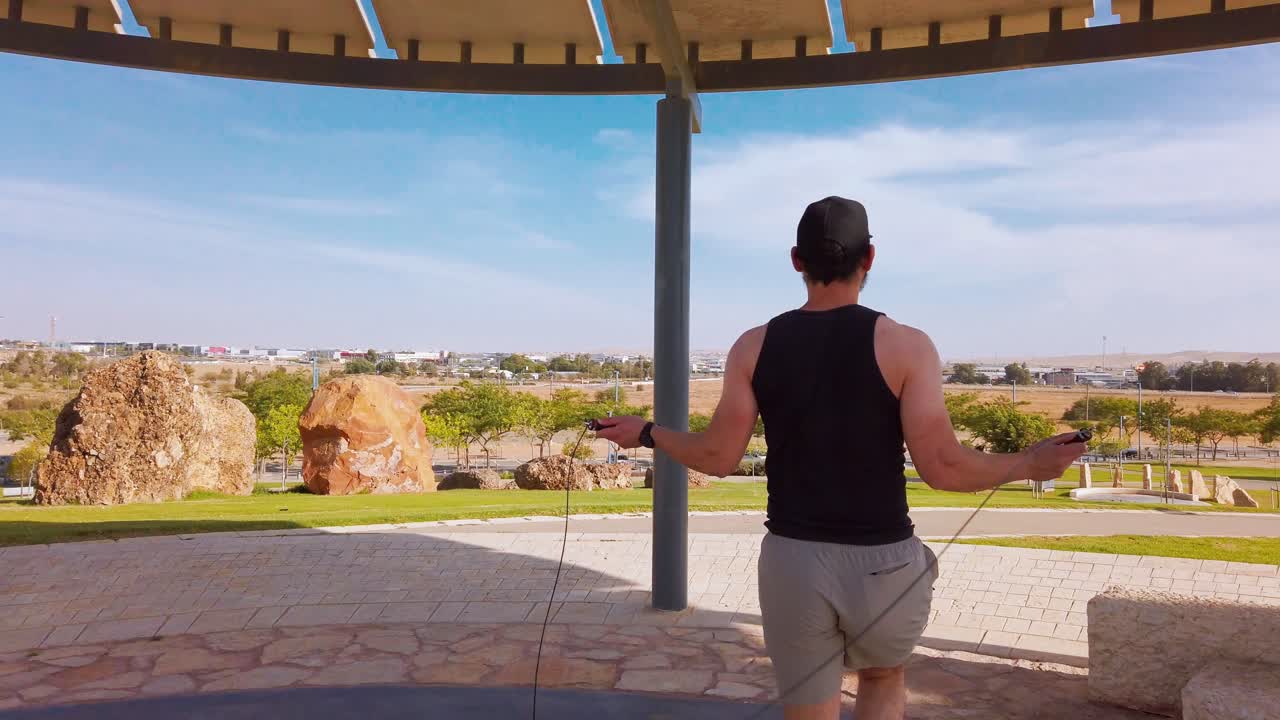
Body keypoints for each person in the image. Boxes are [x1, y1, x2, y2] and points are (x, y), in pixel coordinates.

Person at [593, 196, 1086, 720]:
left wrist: (647, 432)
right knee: (883, 675)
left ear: (796, 260)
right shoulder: (907, 346)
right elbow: (944, 468)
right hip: (885, 561)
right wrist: (1029, 464)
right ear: (869, 258)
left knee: (808, 706)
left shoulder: (753, 346)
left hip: (793, 562)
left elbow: (717, 456)